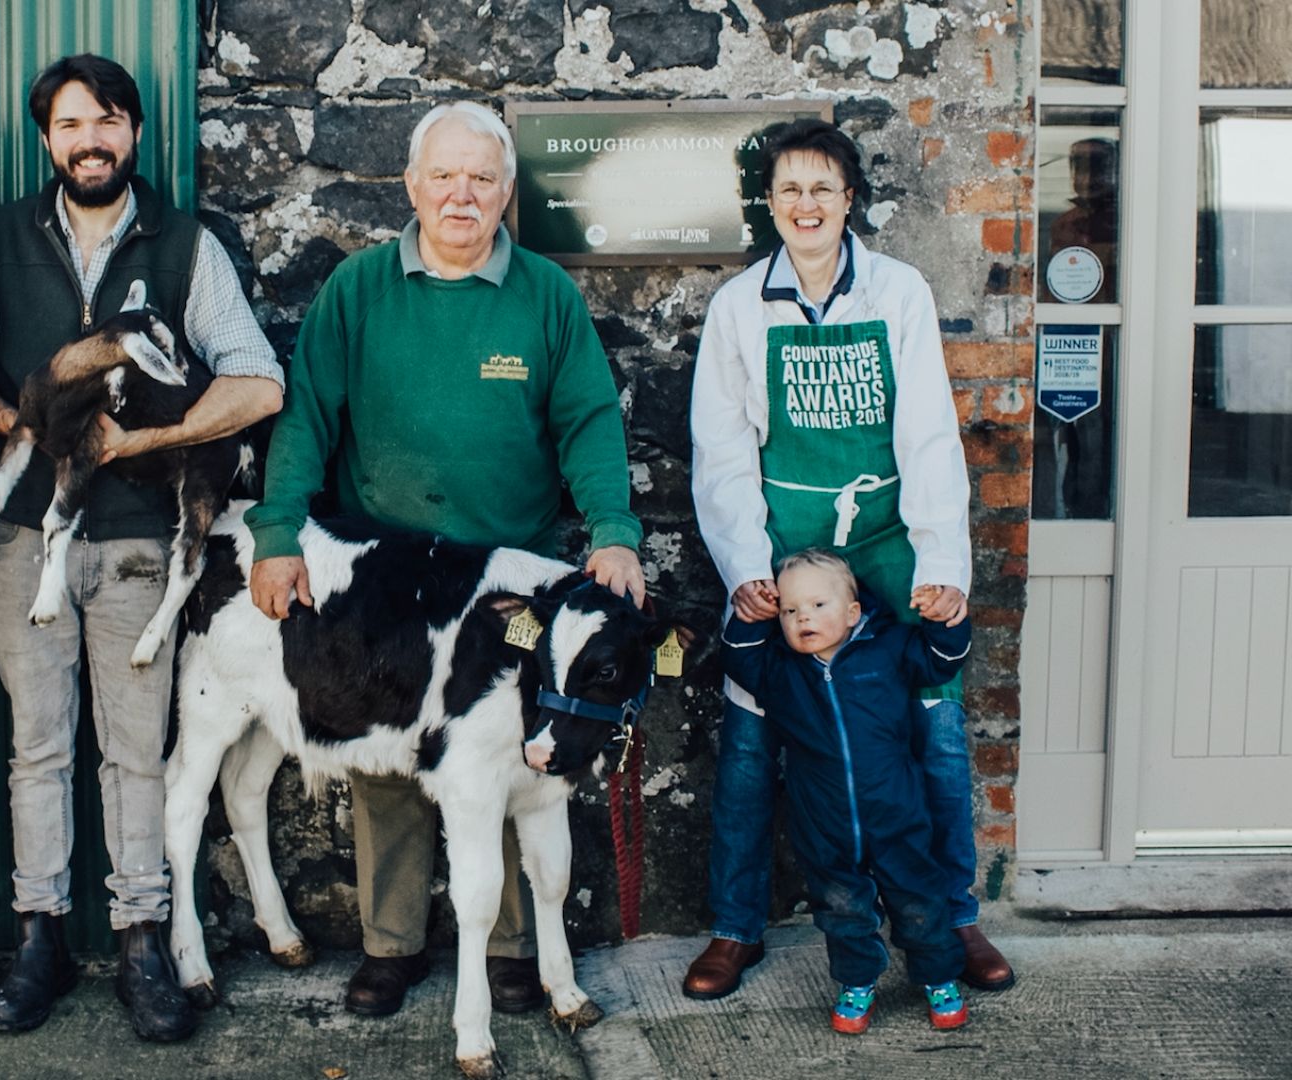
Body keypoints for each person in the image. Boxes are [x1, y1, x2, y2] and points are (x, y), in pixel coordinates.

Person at [244, 101, 645, 1020]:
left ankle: (508, 949)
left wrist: (613, 530)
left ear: (508, 193)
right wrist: (276, 535)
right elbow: (307, 415)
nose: (462, 194)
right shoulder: (359, 289)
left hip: (510, 580)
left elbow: (587, 421)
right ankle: (392, 946)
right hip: (387, 576)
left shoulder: (544, 294)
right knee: (387, 760)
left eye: (482, 179)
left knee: (506, 752)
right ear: (413, 185)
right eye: (444, 176)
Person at [0, 54, 283, 1043]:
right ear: (47, 139)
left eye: (105, 121)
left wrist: (147, 440)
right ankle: (39, 938)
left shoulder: (185, 244)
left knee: (137, 752)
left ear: (134, 132)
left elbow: (258, 385)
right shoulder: (1, 238)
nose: (88, 139)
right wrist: (18, 425)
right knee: (38, 747)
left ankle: (142, 942)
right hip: (28, 547)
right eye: (68, 124)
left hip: (143, 544)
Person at [687, 117, 1013, 1000]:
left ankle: (954, 914)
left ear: (849, 199)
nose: (806, 204)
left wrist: (942, 560)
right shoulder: (738, 307)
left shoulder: (896, 294)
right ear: (770, 202)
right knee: (753, 743)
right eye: (789, 188)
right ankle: (734, 925)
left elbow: (931, 436)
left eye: (822, 188)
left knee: (934, 740)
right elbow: (720, 451)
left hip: (891, 550)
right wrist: (746, 567)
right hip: (785, 563)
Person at [719, 549, 971, 1034]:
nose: (802, 618)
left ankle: (939, 976)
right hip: (824, 821)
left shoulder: (891, 648)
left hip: (897, 809)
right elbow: (739, 658)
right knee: (841, 908)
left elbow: (941, 660)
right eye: (790, 611)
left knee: (919, 896)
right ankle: (857, 981)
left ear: (853, 612)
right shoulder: (781, 669)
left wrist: (945, 620)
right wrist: (753, 616)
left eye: (816, 605)